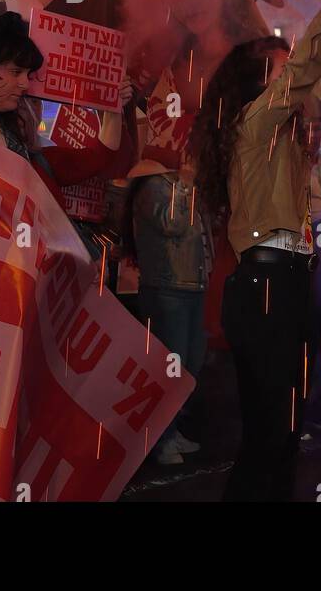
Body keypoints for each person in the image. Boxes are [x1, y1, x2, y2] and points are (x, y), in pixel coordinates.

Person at [187, 0, 321, 501]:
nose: (291, 74)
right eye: (279, 67)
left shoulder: (284, 143)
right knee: (270, 435)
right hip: (265, 285)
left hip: (288, 283)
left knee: (284, 434)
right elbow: (308, 64)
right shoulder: (255, 121)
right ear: (258, 84)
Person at [0, 11, 129, 214]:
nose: (25, 83)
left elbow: (96, 158)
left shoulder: (27, 156)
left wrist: (113, 106)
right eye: (16, 72)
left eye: (28, 74)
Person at [126, 154, 214, 466]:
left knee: (187, 366)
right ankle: (159, 441)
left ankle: (170, 430)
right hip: (167, 289)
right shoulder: (152, 184)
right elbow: (172, 224)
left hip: (189, 286)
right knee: (169, 368)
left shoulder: (176, 184)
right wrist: (188, 184)